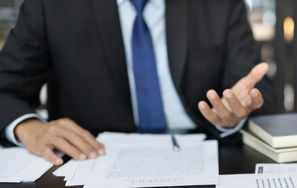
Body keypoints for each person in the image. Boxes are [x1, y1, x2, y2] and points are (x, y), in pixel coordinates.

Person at [0, 0, 275, 165]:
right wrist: (29, 128)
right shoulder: (51, 6)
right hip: (89, 161)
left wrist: (235, 114)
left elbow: (259, 90)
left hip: (208, 154)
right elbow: (5, 86)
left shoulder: (221, 5)